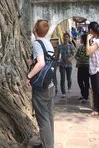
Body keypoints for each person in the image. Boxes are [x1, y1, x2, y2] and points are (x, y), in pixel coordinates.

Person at [26, 19, 55, 148]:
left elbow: (42, 63)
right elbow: (46, 60)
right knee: (49, 116)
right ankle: (48, 143)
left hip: (41, 87)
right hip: (50, 85)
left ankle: (47, 146)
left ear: (35, 30)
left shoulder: (37, 43)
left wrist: (28, 76)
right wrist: (32, 62)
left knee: (43, 119)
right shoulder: (48, 43)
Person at [86, 21, 99, 116]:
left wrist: (87, 40)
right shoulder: (94, 41)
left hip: (98, 70)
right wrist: (89, 40)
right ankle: (96, 109)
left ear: (91, 30)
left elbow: (88, 52)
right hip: (94, 69)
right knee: (95, 90)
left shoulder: (98, 42)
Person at [58, 32, 75, 98]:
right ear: (63, 37)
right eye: (64, 37)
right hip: (62, 64)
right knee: (62, 79)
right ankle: (63, 92)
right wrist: (55, 61)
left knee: (69, 78)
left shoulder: (71, 46)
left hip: (69, 65)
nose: (65, 38)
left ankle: (69, 87)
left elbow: (74, 54)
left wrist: (70, 58)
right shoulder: (60, 46)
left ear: (68, 38)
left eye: (67, 37)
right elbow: (57, 55)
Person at [75, 33, 90, 103]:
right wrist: (79, 58)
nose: (80, 40)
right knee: (79, 81)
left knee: (86, 82)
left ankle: (86, 97)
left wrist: (80, 58)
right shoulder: (80, 47)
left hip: (86, 66)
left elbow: (85, 57)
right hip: (80, 66)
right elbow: (76, 55)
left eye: (81, 38)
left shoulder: (88, 47)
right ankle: (83, 94)